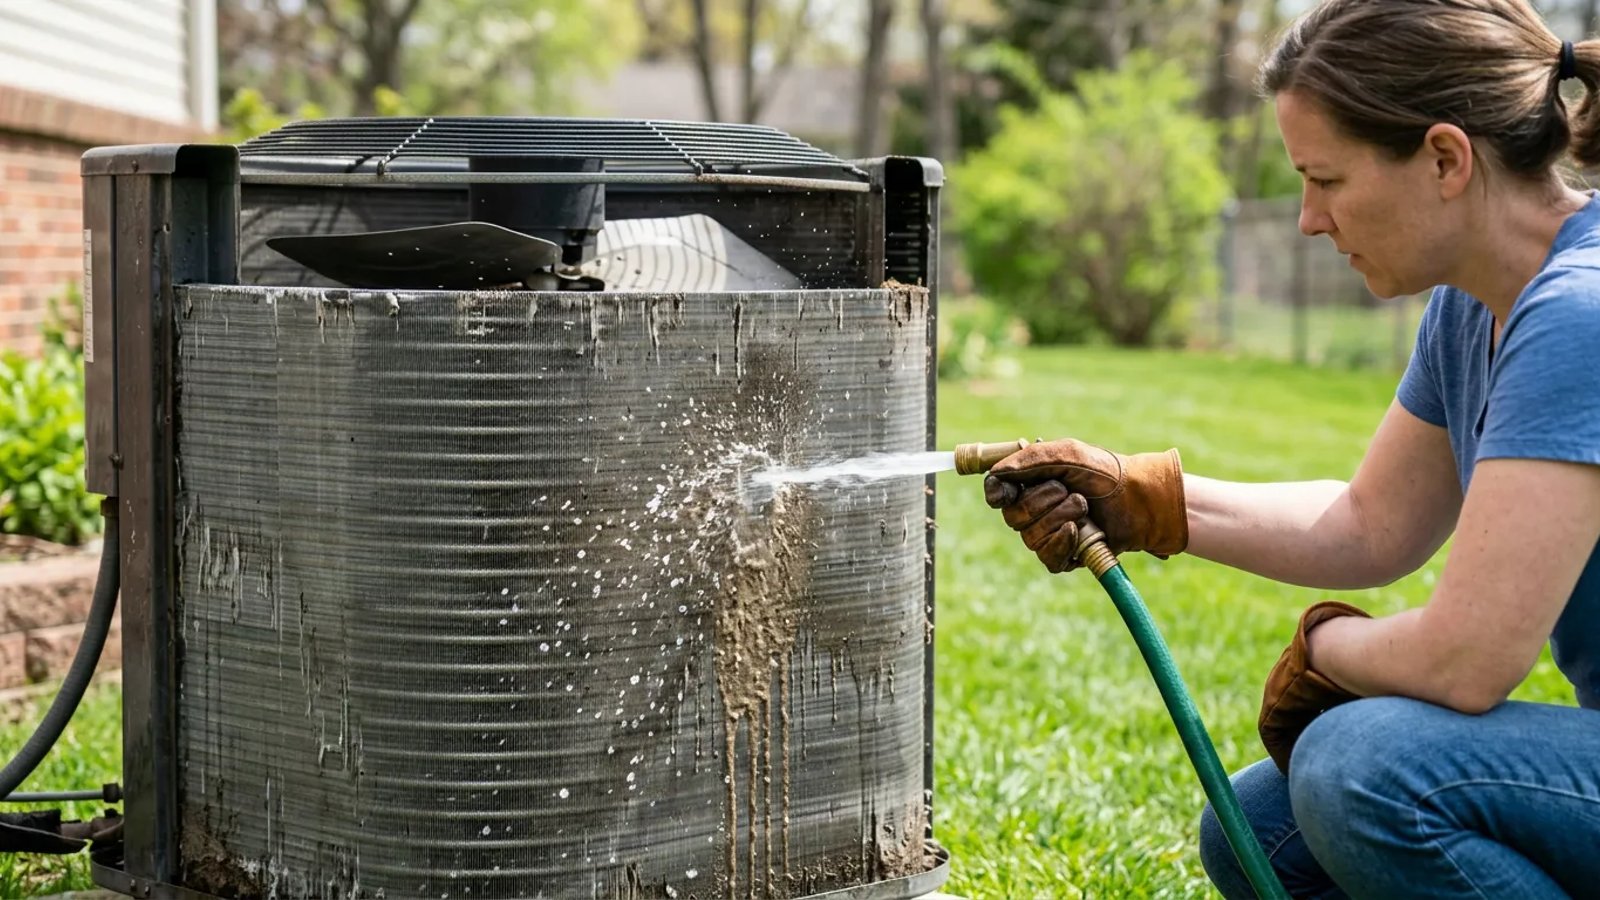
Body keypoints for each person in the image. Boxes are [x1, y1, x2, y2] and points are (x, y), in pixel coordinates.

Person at [981, 1, 1600, 896]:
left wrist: (1325, 650)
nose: (1309, 219)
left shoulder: (1577, 313)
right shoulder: (1475, 305)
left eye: (1328, 180)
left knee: (1361, 768)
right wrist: (1142, 496)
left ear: (1444, 159)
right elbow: (1369, 524)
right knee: (1258, 831)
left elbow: (1468, 661)